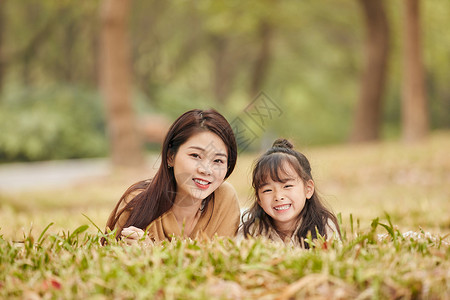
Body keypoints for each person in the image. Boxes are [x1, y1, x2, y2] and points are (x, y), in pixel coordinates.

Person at [104, 109, 240, 245]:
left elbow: (222, 261)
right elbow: (109, 257)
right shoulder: (137, 204)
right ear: (170, 156)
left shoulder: (224, 198)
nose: (206, 170)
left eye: (218, 161)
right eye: (195, 155)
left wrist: (153, 252)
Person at [239, 138, 340, 247]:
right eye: (268, 190)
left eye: (287, 186)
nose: (278, 196)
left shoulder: (323, 226)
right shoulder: (251, 230)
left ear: (308, 189)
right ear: (258, 198)